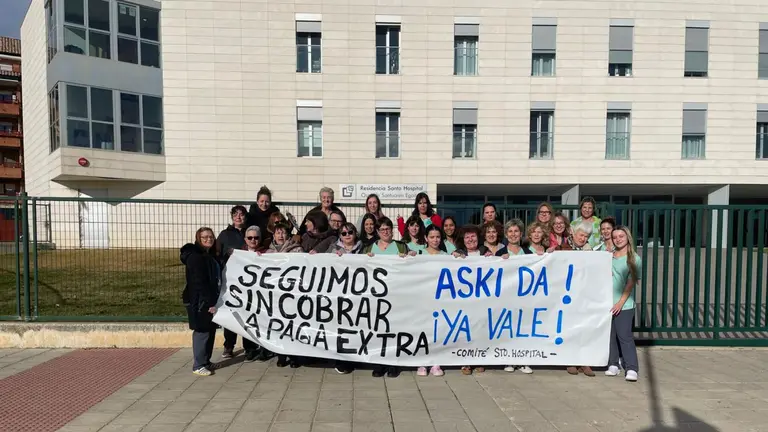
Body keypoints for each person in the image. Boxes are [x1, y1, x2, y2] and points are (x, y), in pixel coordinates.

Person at [362, 217, 410, 377]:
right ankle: (378, 363)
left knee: (394, 329)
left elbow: (412, 265)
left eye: (388, 228)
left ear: (392, 230)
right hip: (375, 296)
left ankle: (393, 363)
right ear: (377, 232)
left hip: (396, 294)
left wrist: (410, 256)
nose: (385, 232)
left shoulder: (401, 246)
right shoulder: (369, 248)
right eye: (382, 229)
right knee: (377, 329)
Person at [180, 227, 221, 377]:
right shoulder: (196, 257)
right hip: (199, 301)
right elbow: (199, 282)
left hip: (208, 299)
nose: (208, 239)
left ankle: (206, 361)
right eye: (204, 237)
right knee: (202, 331)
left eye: (210, 237)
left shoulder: (209, 255)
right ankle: (198, 364)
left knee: (210, 330)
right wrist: (209, 302)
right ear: (198, 239)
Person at [497, 219, 533, 374]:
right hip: (506, 298)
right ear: (506, 234)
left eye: (516, 231)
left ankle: (523, 360)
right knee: (508, 328)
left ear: (521, 233)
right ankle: (508, 359)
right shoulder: (500, 253)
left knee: (523, 328)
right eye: (510, 231)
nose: (513, 234)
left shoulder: (529, 253)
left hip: (524, 298)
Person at [606, 226, 641, 382]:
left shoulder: (634, 258)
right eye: (615, 237)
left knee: (624, 336)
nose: (618, 239)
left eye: (621, 236)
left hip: (624, 305)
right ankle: (613, 364)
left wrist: (620, 303)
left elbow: (630, 283)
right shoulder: (608, 256)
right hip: (606, 302)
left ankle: (632, 368)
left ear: (627, 237)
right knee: (610, 336)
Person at [265, 222, 303, 368]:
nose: (281, 235)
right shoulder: (267, 253)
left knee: (293, 325)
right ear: (273, 235)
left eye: (283, 233)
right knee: (278, 326)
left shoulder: (297, 249)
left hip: (292, 294)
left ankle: (294, 356)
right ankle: (281, 355)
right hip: (275, 295)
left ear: (288, 234)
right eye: (278, 233)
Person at [217, 206, 249, 360]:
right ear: (231, 217)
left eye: (241, 215)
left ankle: (250, 346)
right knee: (232, 312)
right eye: (235, 214)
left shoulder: (250, 233)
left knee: (248, 312)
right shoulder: (225, 235)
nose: (238, 217)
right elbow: (217, 254)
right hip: (231, 279)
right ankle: (229, 345)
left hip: (249, 280)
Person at [417, 225, 447, 377]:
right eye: (432, 237)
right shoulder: (419, 253)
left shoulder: (445, 255)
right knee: (423, 330)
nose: (435, 240)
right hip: (423, 298)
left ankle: (436, 362)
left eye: (438, 237)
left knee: (437, 330)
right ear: (426, 238)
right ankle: (422, 362)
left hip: (440, 298)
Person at [238, 226, 267, 362]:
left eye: (256, 238)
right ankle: (249, 349)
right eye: (250, 238)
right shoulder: (238, 254)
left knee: (263, 322)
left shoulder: (267, 253)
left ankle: (263, 349)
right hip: (246, 295)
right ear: (245, 239)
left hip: (263, 296)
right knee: (247, 322)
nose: (253, 240)